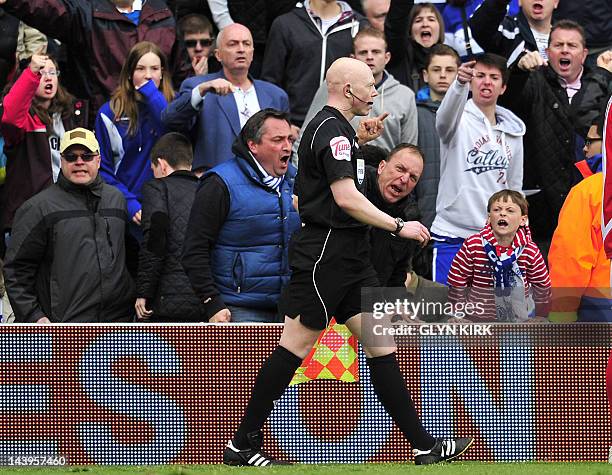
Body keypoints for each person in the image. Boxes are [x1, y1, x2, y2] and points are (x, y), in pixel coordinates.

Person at [222, 57, 472, 466]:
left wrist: (358, 137)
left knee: (381, 346)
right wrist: (399, 225)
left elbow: (334, 170)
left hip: (351, 258)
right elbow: (345, 197)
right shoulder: (332, 131)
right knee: (294, 347)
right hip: (327, 256)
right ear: (349, 90)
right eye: (370, 85)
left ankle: (424, 445)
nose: (376, 91)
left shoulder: (338, 131)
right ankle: (241, 444)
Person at [498, 20, 612, 255]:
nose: (565, 50)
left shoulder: (600, 84)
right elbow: (507, 102)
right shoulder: (534, 79)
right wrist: (517, 71)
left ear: (584, 53)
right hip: (540, 208)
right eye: (558, 45)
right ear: (547, 52)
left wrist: (601, 75)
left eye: (572, 45)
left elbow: (580, 118)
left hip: (586, 203)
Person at [4, 127, 135, 323]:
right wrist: (34, 315)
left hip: (117, 323)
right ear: (61, 160)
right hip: (65, 327)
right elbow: (16, 270)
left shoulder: (116, 199)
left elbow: (131, 257)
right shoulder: (38, 207)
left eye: (87, 156)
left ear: (98, 160)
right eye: (71, 156)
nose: (79, 162)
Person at [182, 109, 300, 323]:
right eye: (278, 140)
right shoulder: (220, 182)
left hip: (291, 308)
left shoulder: (297, 181)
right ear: (252, 145)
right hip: (239, 308)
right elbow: (194, 248)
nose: (287, 147)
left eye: (290, 139)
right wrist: (211, 301)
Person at [0, 0, 176, 127]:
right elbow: (52, 11)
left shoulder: (164, 15)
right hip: (100, 124)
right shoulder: (86, 12)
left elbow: (182, 76)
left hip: (155, 124)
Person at [431, 53, 525, 285]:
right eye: (480, 75)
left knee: (491, 315)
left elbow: (515, 188)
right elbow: (442, 119)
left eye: (494, 77)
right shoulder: (456, 120)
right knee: (447, 313)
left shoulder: (514, 132)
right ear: (471, 82)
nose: (486, 81)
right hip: (451, 235)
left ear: (503, 87)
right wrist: (458, 84)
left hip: (495, 240)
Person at [163, 23, 289, 174]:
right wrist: (202, 90)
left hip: (266, 188)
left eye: (246, 44)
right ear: (218, 55)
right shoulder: (198, 86)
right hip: (217, 185)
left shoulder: (276, 95)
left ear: (253, 53)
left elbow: (284, 148)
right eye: (233, 44)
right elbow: (169, 120)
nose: (241, 49)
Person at [295, 27, 417, 159]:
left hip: (385, 174)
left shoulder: (405, 96)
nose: (370, 57)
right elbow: (308, 132)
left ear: (387, 57)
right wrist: (297, 173)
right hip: (340, 168)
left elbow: (408, 150)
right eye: (363, 52)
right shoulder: (336, 85)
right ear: (353, 57)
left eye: (376, 52)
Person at [1, 52, 86, 236]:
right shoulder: (23, 120)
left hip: (67, 215)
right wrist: (31, 72)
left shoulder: (70, 115)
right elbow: (10, 117)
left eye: (52, 72)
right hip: (28, 219)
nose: (47, 77)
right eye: (41, 73)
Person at [95, 41, 174, 229]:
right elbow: (102, 168)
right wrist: (129, 203)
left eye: (154, 69)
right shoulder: (109, 113)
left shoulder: (174, 106)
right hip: (126, 209)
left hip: (169, 205)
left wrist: (152, 96)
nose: (148, 75)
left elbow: (171, 132)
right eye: (140, 69)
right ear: (130, 74)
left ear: (162, 73)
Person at [261, 0, 367, 128]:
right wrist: (283, 123)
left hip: (342, 125)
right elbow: (270, 82)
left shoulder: (359, 25)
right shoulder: (285, 24)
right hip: (294, 126)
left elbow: (367, 80)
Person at [447, 190, 551, 321]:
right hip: (476, 319)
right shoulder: (473, 244)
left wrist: (541, 316)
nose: (502, 213)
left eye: (510, 210)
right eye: (497, 209)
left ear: (523, 220)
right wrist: (458, 314)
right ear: (489, 218)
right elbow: (457, 279)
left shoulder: (530, 250)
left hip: (517, 320)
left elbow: (542, 286)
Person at [548, 115, 612, 322]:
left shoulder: (589, 191)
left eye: (590, 142)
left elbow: (571, 256)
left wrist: (562, 312)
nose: (584, 149)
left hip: (598, 304)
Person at [135, 132, 204, 322]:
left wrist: (144, 292)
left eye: (153, 169)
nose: (154, 174)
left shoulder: (157, 188)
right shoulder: (208, 190)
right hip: (206, 299)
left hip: (166, 300)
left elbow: (155, 240)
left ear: (162, 165)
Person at [414, 44, 460, 230]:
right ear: (425, 75)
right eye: (436, 69)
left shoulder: (471, 114)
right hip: (423, 213)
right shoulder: (413, 112)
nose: (443, 75)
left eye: (449, 70)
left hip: (462, 217)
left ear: (459, 74)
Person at [384, 0, 445, 92]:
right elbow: (396, 24)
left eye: (431, 19)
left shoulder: (450, 58)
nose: (425, 24)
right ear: (410, 29)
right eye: (418, 20)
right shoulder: (399, 57)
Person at [470, 0, 558, 62]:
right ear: (519, 1)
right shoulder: (506, 30)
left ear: (556, 2)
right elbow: (479, 31)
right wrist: (498, 2)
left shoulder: (568, 35)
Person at [173, 13, 217, 87]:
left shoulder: (221, 67)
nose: (198, 48)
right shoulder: (174, 72)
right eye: (191, 43)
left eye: (205, 42)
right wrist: (197, 80)